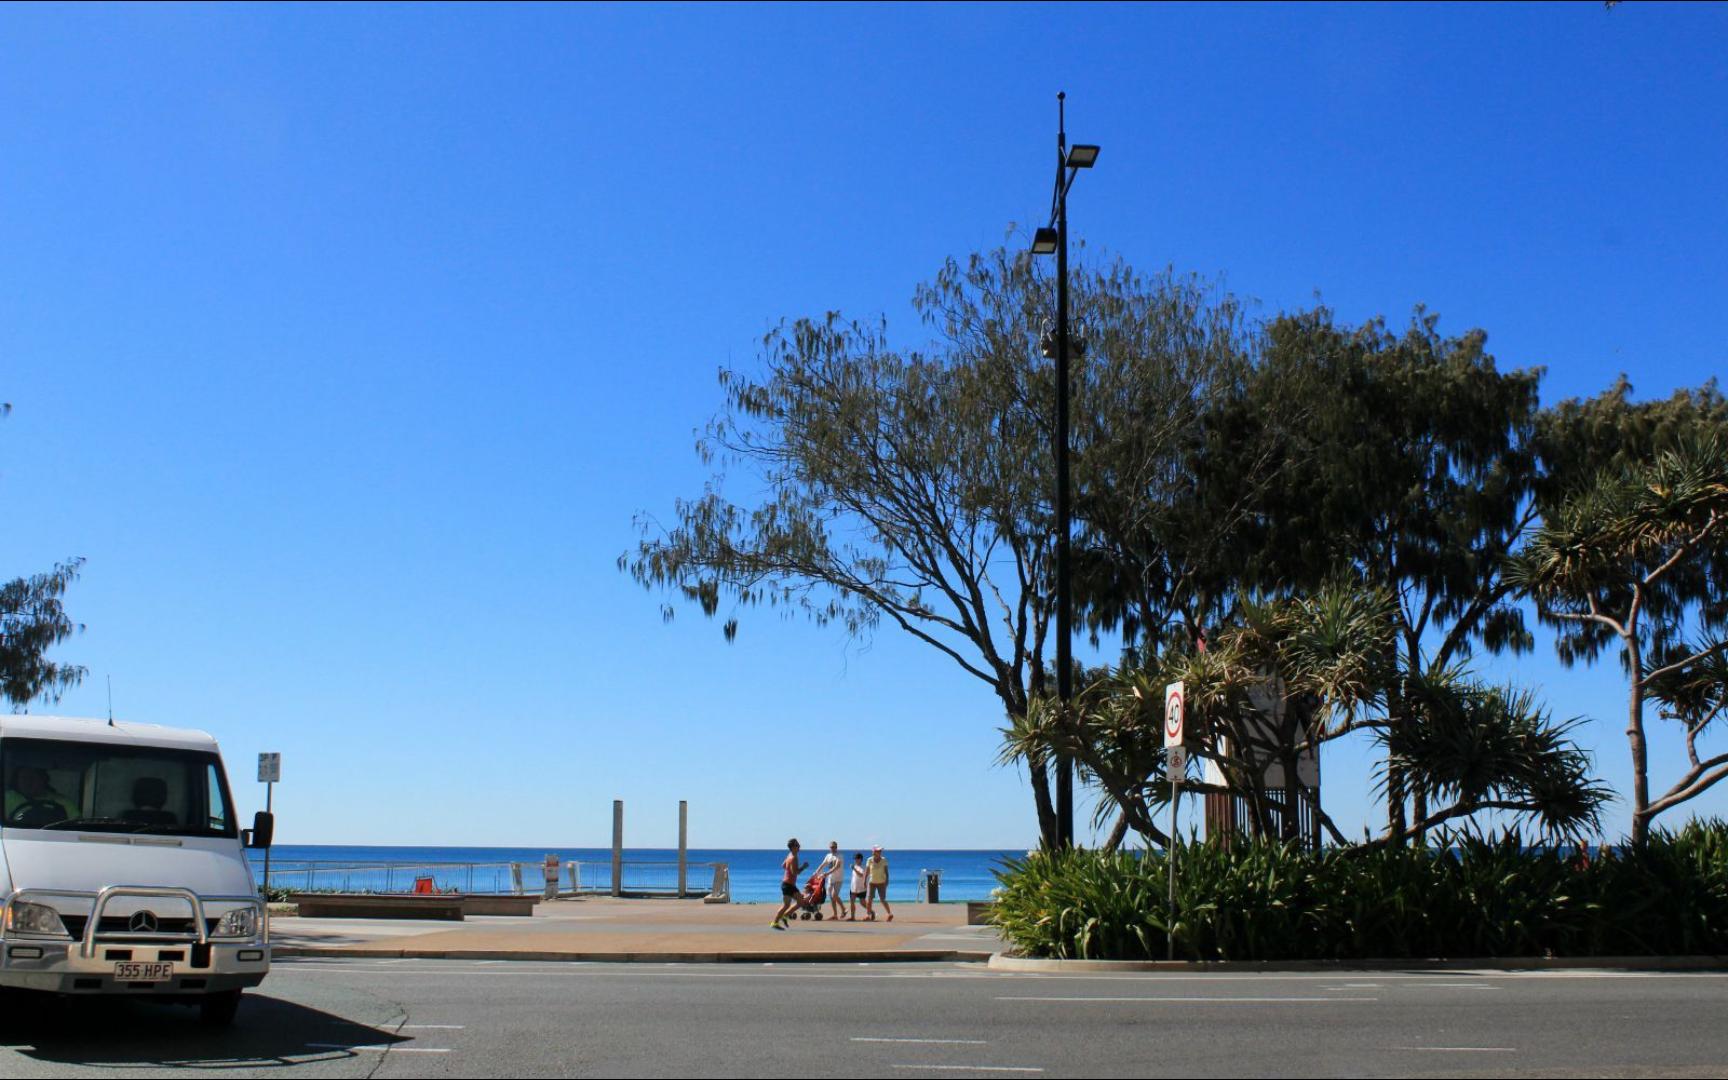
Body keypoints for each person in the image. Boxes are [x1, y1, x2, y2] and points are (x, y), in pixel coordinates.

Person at [4, 766, 76, 826]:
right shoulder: (6, 798)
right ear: (17, 780)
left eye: (32, 777)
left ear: (43, 779)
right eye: (24, 778)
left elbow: (76, 825)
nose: (28, 782)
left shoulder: (63, 802)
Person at [771, 838, 807, 929]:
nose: (799, 847)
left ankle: (783, 917)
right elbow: (795, 872)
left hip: (789, 884)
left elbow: (783, 865)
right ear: (793, 847)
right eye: (797, 845)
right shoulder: (794, 858)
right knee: (790, 904)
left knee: (797, 902)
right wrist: (803, 867)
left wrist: (789, 870)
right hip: (788, 885)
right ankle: (775, 922)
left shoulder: (790, 855)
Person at [814, 841, 844, 920]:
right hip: (831, 879)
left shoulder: (839, 856)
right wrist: (816, 872)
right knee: (831, 897)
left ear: (836, 847)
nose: (833, 848)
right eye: (831, 847)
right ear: (829, 848)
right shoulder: (828, 856)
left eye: (834, 847)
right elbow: (822, 865)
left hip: (838, 879)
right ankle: (835, 915)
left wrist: (825, 874)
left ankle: (843, 909)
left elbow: (836, 867)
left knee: (834, 895)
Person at [865, 844, 893, 922]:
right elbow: (867, 872)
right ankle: (868, 915)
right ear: (873, 852)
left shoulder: (884, 860)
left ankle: (890, 914)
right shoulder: (869, 860)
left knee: (882, 899)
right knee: (869, 899)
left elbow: (886, 872)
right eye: (878, 851)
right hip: (872, 882)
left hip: (881, 882)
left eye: (880, 851)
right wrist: (864, 881)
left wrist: (887, 881)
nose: (879, 852)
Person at [847, 852, 869, 921]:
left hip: (861, 888)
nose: (855, 860)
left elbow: (861, 875)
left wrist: (854, 868)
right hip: (853, 887)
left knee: (862, 903)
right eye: (855, 859)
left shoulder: (864, 867)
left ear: (860, 859)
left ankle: (871, 912)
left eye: (857, 859)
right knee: (852, 902)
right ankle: (852, 917)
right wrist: (854, 868)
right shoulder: (855, 866)